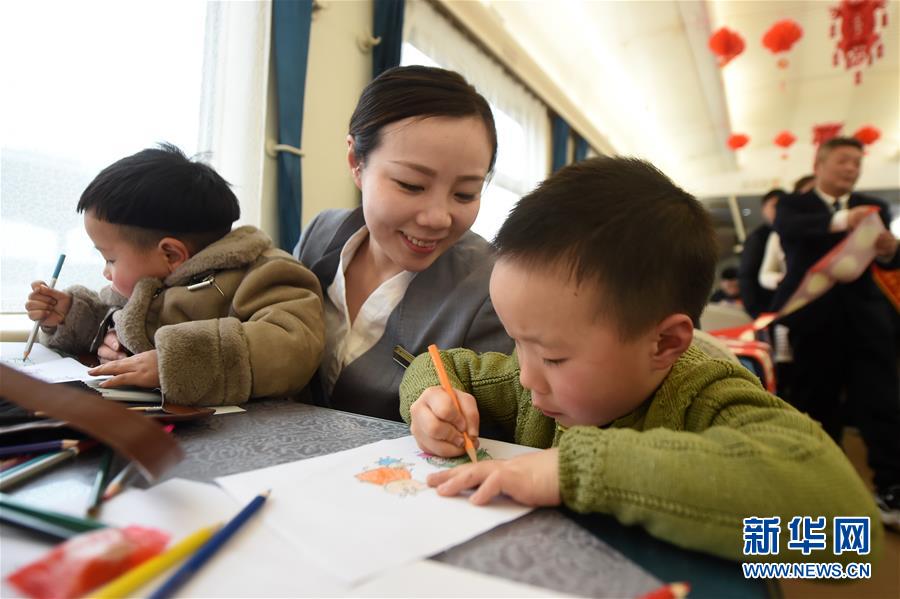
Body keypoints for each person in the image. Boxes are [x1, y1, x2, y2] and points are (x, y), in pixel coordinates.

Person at [399, 156, 882, 562]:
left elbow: (851, 537)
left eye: (553, 357)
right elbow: (446, 365)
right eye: (516, 343)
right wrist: (433, 399)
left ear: (664, 344)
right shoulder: (531, 387)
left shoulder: (705, 395)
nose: (526, 377)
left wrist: (571, 471)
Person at [26, 144, 325, 406]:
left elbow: (293, 345)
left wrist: (175, 364)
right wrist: (70, 316)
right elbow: (111, 317)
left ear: (170, 254)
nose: (106, 272)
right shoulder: (143, 283)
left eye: (111, 259)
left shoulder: (267, 272)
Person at [294, 66, 513, 421]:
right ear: (356, 162)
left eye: (464, 193)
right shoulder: (322, 235)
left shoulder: (492, 286)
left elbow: (497, 425)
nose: (437, 218)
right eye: (412, 185)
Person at [773, 136, 900, 528]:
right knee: (816, 407)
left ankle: (892, 489)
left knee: (883, 404)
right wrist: (845, 220)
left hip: (868, 322)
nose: (852, 169)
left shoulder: (875, 206)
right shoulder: (795, 205)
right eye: (844, 161)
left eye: (857, 163)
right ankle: (817, 491)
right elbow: (793, 230)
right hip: (814, 322)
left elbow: (889, 260)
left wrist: (888, 249)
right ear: (820, 163)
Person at [739, 189, 784, 317]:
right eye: (774, 206)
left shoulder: (792, 232)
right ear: (764, 210)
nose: (779, 210)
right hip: (766, 307)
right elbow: (747, 275)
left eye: (782, 206)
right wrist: (755, 311)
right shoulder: (758, 237)